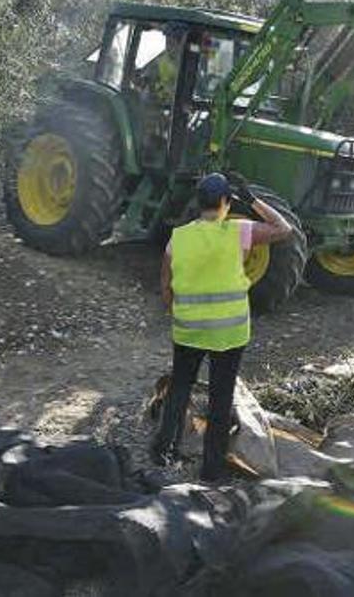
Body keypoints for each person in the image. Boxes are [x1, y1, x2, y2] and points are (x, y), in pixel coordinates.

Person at [150, 172, 293, 481]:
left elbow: (165, 283)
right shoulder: (239, 231)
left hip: (189, 328)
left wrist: (176, 311)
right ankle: (212, 469)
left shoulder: (180, 236)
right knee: (220, 397)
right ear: (227, 202)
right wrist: (253, 200)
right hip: (229, 333)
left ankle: (163, 450)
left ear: (199, 202)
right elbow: (285, 229)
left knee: (180, 387)